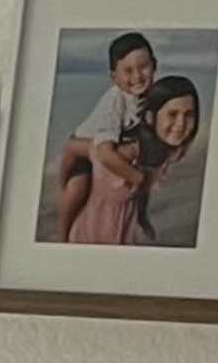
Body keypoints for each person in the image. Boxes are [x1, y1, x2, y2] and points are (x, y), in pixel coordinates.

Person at [65, 63, 202, 245]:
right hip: (92, 231)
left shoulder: (166, 151)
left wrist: (142, 218)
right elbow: (74, 147)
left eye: (189, 115)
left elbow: (143, 188)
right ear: (150, 117)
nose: (181, 124)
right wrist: (67, 183)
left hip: (124, 228)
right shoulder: (127, 149)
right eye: (172, 114)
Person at [51, 30, 160, 242]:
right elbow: (103, 153)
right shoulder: (114, 102)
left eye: (143, 67)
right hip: (89, 145)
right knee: (78, 187)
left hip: (118, 143)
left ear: (154, 65)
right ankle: (61, 236)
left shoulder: (153, 95)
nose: (137, 76)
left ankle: (142, 218)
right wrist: (137, 178)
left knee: (140, 177)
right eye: (127, 71)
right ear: (114, 78)